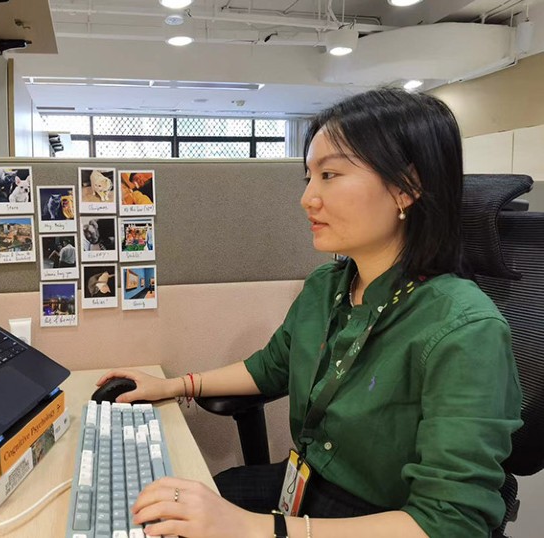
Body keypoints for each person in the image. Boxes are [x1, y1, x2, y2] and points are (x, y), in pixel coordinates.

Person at [95, 88, 522, 538]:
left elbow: (452, 523)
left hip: (381, 518)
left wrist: (262, 530)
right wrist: (174, 385)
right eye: (308, 178)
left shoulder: (464, 329)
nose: (308, 198)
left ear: (407, 187)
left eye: (330, 175)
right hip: (308, 482)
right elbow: (271, 366)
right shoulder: (328, 286)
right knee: (178, 506)